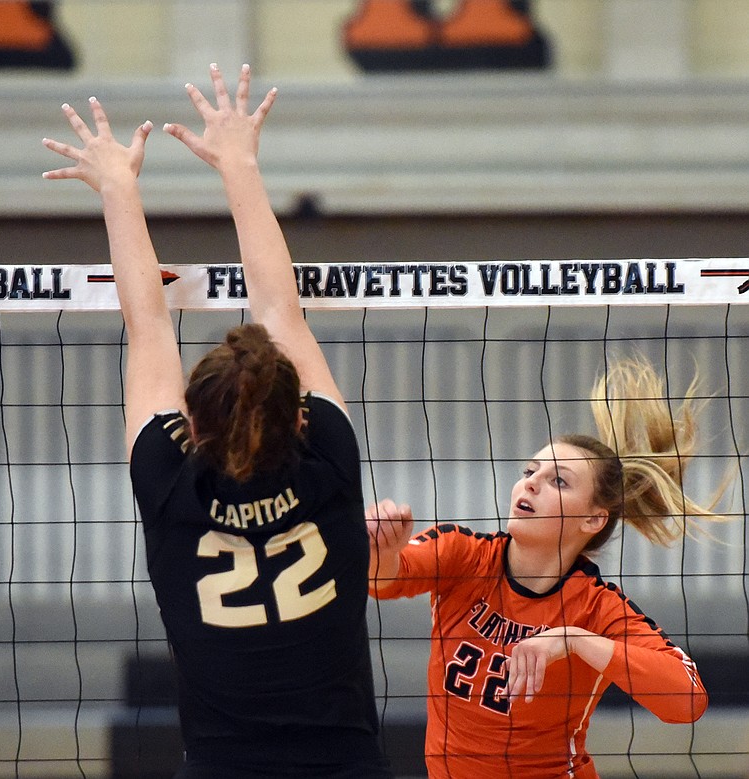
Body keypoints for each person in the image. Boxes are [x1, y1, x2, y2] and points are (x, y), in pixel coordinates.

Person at [43, 64, 393, 778]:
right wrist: (240, 164)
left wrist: (117, 186)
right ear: (297, 414)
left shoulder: (171, 485)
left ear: (193, 426)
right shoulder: (326, 462)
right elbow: (279, 310)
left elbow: (148, 326)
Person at [366, 355, 717, 779]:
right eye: (531, 470)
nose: (530, 482)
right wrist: (382, 544)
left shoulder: (596, 609)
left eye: (559, 480)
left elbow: (687, 702)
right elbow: (383, 580)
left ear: (592, 520)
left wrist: (576, 640)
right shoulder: (463, 555)